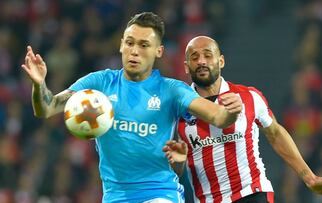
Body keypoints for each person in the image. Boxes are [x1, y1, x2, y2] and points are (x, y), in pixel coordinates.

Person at [21, 13, 242, 203]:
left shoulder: (172, 90)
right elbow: (47, 108)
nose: (134, 51)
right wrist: (39, 85)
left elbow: (219, 117)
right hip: (115, 196)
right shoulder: (100, 83)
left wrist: (230, 111)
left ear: (159, 51)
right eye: (129, 43)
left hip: (161, 193)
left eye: (144, 45)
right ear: (121, 45)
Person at [163, 36, 322, 203]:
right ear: (186, 66)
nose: (202, 61)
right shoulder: (178, 109)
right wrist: (177, 162)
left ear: (221, 61)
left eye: (208, 55)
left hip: (253, 194)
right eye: (194, 57)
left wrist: (309, 177)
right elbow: (176, 169)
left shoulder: (249, 97)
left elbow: (275, 133)